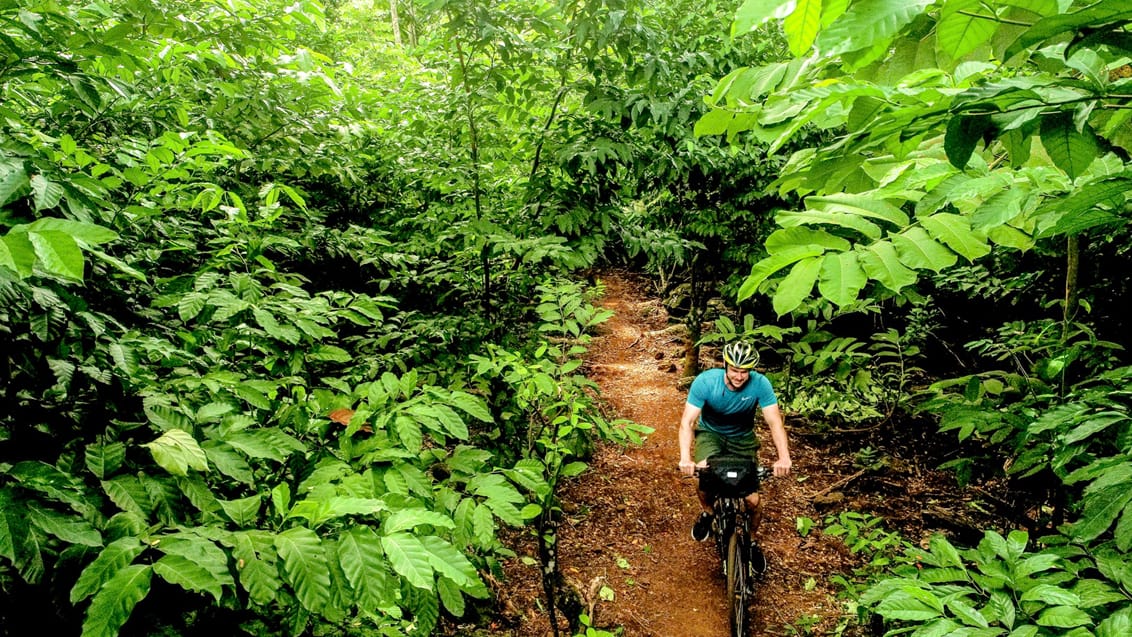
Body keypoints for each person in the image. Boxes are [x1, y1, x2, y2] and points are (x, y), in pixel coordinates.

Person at [678, 340, 792, 573]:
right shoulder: (706, 382)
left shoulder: (761, 385)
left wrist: (784, 457)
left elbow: (774, 422)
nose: (739, 376)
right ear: (725, 366)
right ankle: (709, 513)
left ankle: (750, 541)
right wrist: (685, 458)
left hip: (742, 439)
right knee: (705, 475)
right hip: (711, 434)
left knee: (752, 500)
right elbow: (687, 422)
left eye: (745, 371)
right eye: (735, 370)